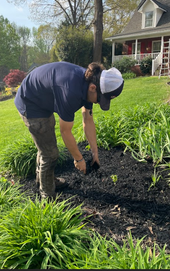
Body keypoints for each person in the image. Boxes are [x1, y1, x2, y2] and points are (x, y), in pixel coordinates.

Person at [14, 61, 124, 199]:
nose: (97, 103)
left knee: (46, 144)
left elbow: (88, 120)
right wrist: (79, 159)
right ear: (92, 88)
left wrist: (95, 153)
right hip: (30, 103)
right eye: (100, 99)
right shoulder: (70, 91)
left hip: (42, 99)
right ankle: (47, 196)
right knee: (50, 153)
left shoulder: (90, 79)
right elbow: (65, 132)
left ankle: (43, 180)